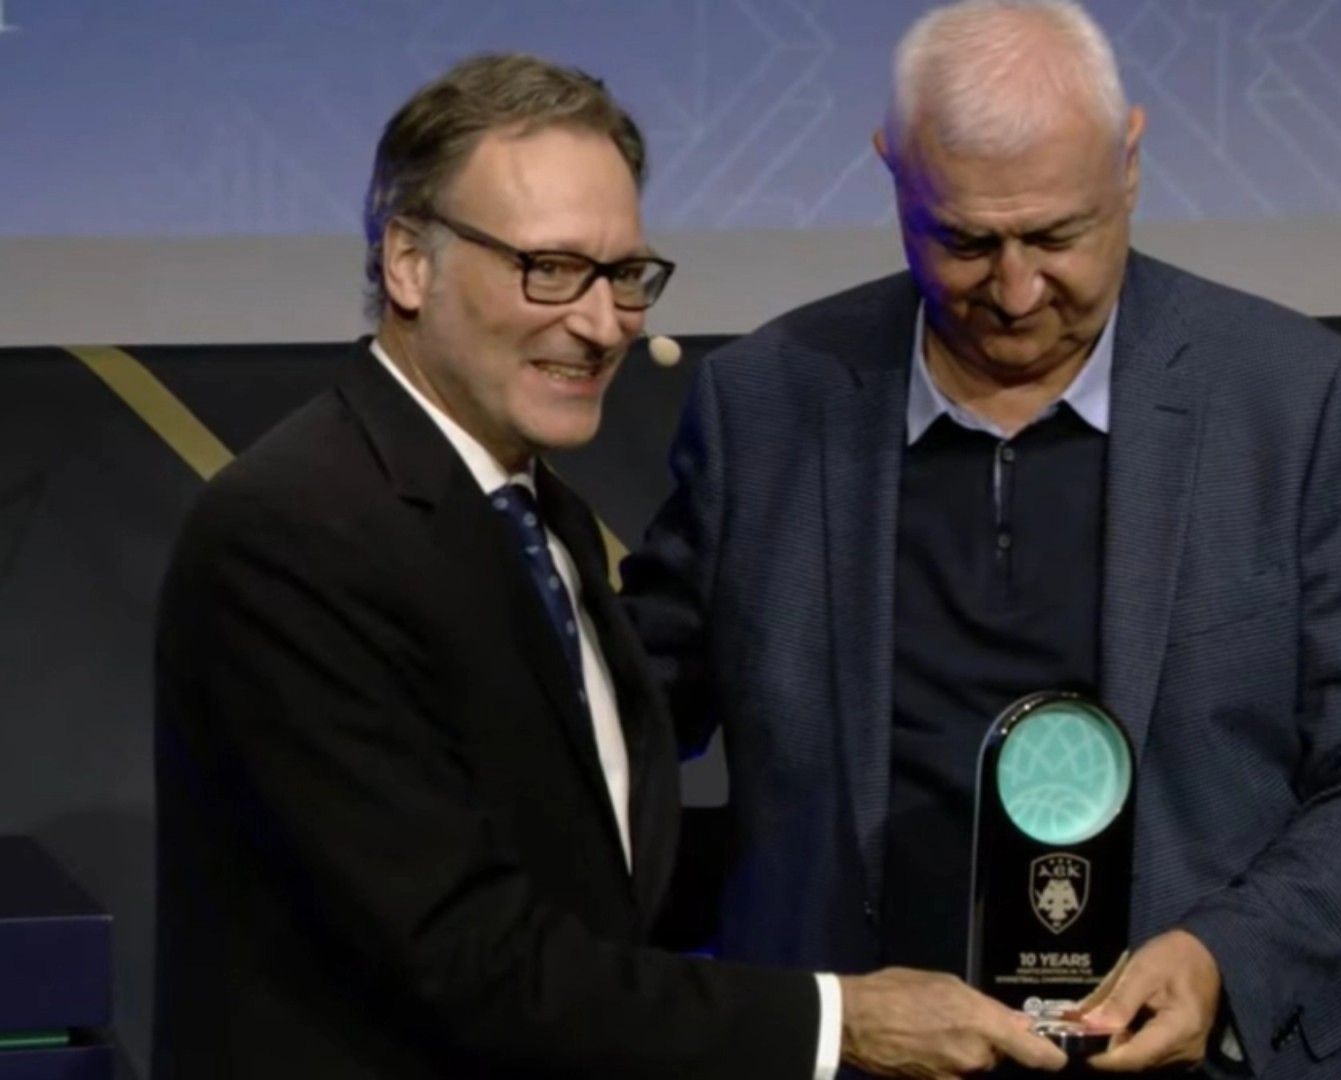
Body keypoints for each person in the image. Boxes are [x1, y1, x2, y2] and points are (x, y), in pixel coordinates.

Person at [151, 52, 1065, 1080]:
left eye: (625, 275)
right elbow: (465, 960)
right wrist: (837, 1021)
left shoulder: (539, 517)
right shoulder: (296, 532)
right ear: (409, 262)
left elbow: (600, 866)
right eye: (549, 268)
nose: (600, 324)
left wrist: (921, 850)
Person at [624, 1, 1341, 1076]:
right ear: (891, 173)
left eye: (1058, 237)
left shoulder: (1291, 402)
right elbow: (624, 725)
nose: (1016, 292)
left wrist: (1224, 955)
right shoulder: (766, 405)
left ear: (1131, 163)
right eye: (966, 242)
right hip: (874, 1057)